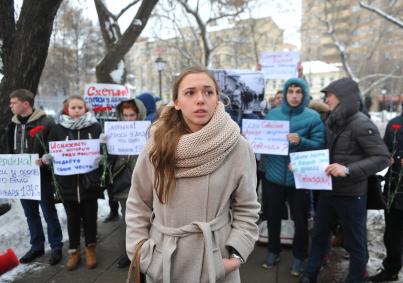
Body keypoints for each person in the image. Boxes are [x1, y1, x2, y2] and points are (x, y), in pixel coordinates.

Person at [125, 66, 260, 283]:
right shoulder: (156, 146)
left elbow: (247, 208)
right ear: (176, 102)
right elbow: (138, 203)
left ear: (217, 98)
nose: (200, 99)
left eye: (208, 92)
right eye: (190, 93)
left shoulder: (237, 147)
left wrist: (234, 257)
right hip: (164, 262)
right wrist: (142, 254)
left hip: (216, 262)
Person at [301, 78, 390, 283]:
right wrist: (302, 166)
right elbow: (329, 155)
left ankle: (356, 278)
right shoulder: (334, 120)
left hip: (351, 195)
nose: (326, 100)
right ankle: (309, 275)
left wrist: (348, 170)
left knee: (355, 243)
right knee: (319, 235)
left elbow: (382, 158)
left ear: (343, 98)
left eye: (329, 96)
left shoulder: (361, 123)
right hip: (328, 192)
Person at [261, 78, 324, 277]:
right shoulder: (272, 114)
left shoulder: (313, 117)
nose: (294, 95)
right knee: (272, 216)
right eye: (291, 91)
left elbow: (320, 145)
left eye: (298, 91)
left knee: (301, 219)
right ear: (285, 94)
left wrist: (301, 140)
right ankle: (273, 251)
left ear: (304, 94)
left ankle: (299, 256)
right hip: (273, 176)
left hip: (300, 178)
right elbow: (262, 141)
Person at [368, 80, 403, 283]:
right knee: (392, 237)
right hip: (394, 192)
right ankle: (391, 270)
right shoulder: (395, 124)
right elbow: (383, 151)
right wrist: (386, 158)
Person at [7, 89, 63, 265]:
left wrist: (46, 159)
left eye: (13, 102)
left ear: (25, 104)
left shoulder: (46, 122)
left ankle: (56, 247)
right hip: (22, 178)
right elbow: (9, 149)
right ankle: (37, 246)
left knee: (48, 213)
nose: (11, 106)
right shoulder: (12, 125)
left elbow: (54, 147)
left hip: (41, 177)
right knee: (30, 214)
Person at [46, 95, 102, 271]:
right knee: (72, 219)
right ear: (66, 109)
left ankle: (90, 249)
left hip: (89, 183)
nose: (77, 110)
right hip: (68, 184)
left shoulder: (95, 126)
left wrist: (103, 153)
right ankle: (74, 251)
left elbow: (103, 151)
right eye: (73, 107)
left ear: (85, 109)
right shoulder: (57, 128)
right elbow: (51, 148)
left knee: (90, 218)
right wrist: (48, 158)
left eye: (80, 107)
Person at [107, 99, 146, 268]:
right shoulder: (115, 132)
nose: (129, 119)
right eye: (125, 115)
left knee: (146, 219)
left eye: (132, 115)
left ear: (139, 114)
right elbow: (108, 161)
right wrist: (104, 146)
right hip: (124, 183)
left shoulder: (148, 130)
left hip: (144, 183)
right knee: (127, 219)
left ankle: (146, 252)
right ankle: (128, 253)